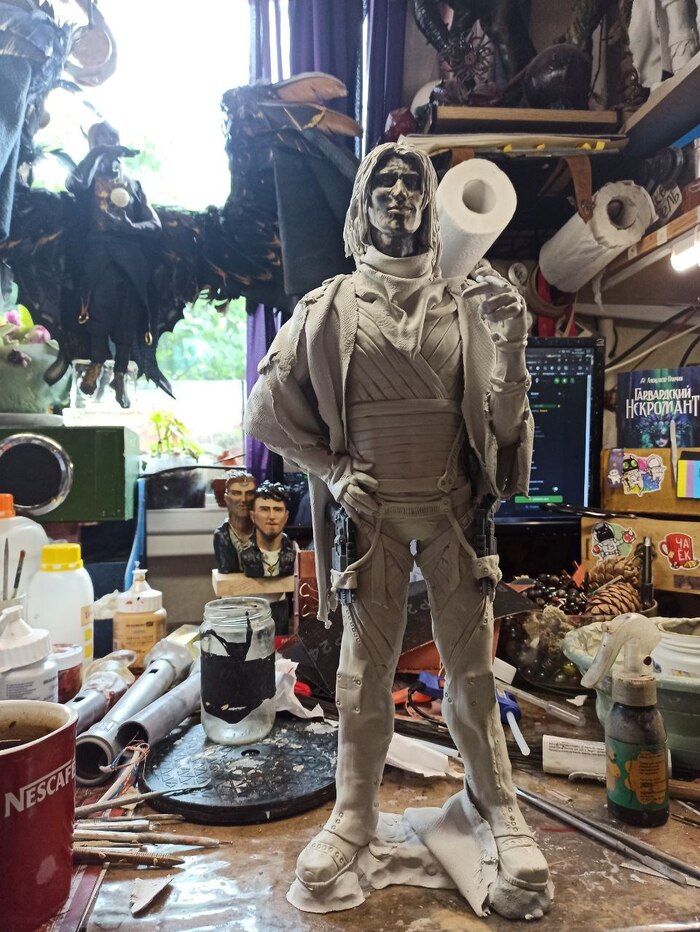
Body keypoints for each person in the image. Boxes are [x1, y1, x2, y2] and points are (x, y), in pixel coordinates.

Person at [245, 141, 552, 918]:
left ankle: (499, 809)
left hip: (455, 514)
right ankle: (353, 817)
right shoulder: (330, 307)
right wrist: (331, 470)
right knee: (360, 679)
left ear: (428, 201)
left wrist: (514, 343)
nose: (397, 191)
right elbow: (264, 413)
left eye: (412, 180)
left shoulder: (467, 305)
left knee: (473, 676)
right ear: (363, 200)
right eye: (382, 179)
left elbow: (505, 432)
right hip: (372, 518)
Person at [66, 122, 162, 408]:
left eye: (112, 140)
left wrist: (130, 227)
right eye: (102, 140)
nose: (109, 145)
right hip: (97, 254)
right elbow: (74, 184)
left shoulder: (133, 184)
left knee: (128, 313)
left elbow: (155, 224)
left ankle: (120, 373)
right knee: (98, 308)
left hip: (130, 256)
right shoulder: (87, 181)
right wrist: (98, 153)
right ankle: (96, 362)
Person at [239, 481, 296, 579]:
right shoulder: (245, 555)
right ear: (252, 516)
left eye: (277, 510)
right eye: (264, 509)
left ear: (286, 516)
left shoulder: (294, 556)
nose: (272, 516)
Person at [213, 470, 257, 574]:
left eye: (249, 493)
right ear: (226, 498)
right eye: (236, 493)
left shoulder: (263, 533)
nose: (244, 499)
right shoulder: (221, 536)